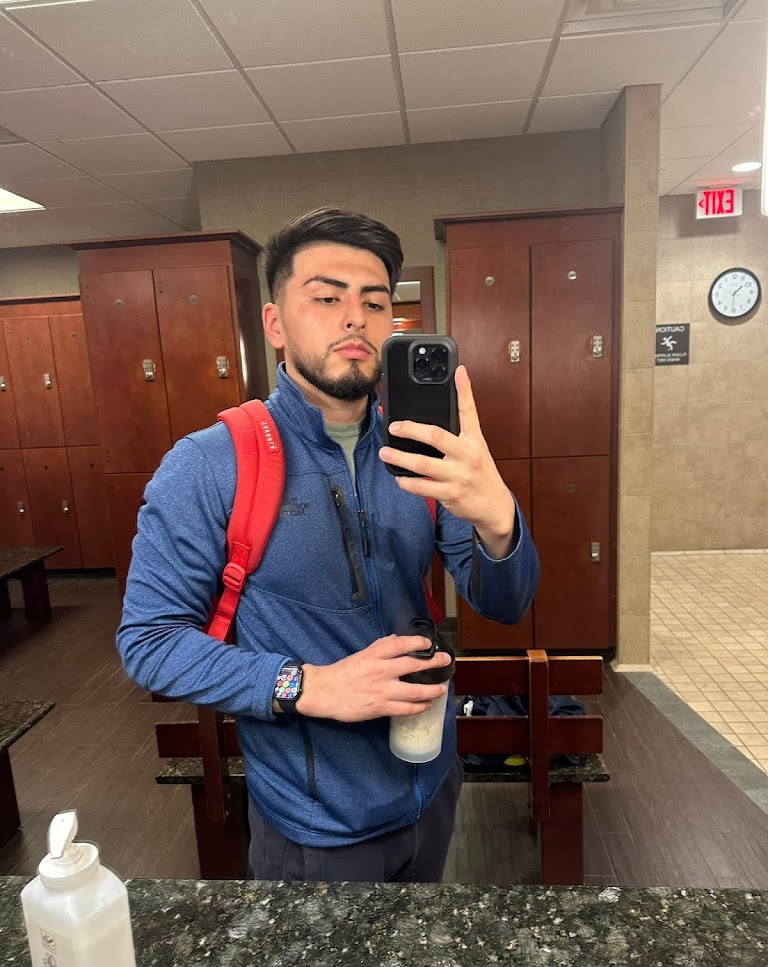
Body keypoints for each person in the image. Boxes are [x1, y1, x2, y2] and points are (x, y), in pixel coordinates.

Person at [117, 207, 540, 883]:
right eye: (326, 298)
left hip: (432, 784)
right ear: (275, 323)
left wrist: (497, 523)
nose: (355, 319)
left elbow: (506, 603)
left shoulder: (424, 452)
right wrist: (307, 684)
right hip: (313, 825)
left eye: (374, 302)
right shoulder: (209, 464)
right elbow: (150, 642)